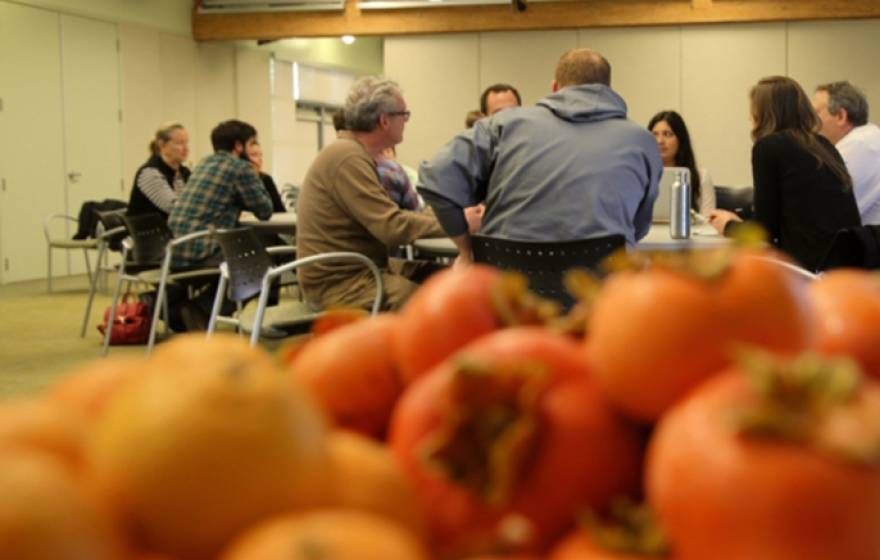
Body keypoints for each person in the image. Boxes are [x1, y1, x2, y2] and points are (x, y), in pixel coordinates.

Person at [418, 48, 661, 263]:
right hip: (599, 293)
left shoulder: (501, 125)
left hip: (508, 292)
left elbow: (435, 180)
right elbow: (637, 227)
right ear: (608, 89)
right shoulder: (643, 141)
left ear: (555, 87)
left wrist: (466, 251)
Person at [296, 77, 445, 311]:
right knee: (435, 306)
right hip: (341, 283)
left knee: (443, 277)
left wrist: (451, 217)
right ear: (385, 121)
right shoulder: (348, 158)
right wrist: (458, 222)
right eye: (403, 114)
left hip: (359, 268)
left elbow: (389, 216)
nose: (406, 121)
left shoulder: (353, 154)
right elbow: (391, 227)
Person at [709, 76, 861, 271]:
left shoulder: (768, 147)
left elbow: (764, 232)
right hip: (846, 267)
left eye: (753, 109)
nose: (749, 116)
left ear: (765, 112)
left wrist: (728, 226)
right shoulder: (823, 145)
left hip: (807, 271)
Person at [169, 119, 273, 269]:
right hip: (204, 252)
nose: (252, 151)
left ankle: (192, 293)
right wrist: (255, 171)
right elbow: (265, 211)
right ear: (238, 146)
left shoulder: (204, 162)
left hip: (175, 251)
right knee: (267, 265)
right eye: (250, 144)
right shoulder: (240, 167)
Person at [812, 81, 880, 225]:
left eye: (815, 113)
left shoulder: (861, 145)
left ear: (841, 116)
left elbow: (826, 210)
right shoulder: (867, 136)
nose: (810, 121)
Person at [648, 110, 716, 217]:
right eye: (654, 135)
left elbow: (708, 222)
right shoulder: (642, 175)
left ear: (681, 140)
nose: (660, 141)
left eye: (667, 134)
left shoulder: (701, 176)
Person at [128, 122, 190, 219]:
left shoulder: (184, 172)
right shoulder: (149, 173)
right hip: (151, 231)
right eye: (179, 143)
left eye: (186, 142)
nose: (186, 148)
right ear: (162, 145)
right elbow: (174, 208)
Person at [245, 140, 286, 212]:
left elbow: (280, 211)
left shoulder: (266, 179)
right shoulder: (238, 180)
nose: (260, 159)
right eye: (254, 155)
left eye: (260, 155)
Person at [376, 146, 421, 211]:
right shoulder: (372, 173)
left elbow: (417, 204)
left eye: (387, 151)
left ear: (394, 154)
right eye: (380, 153)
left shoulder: (409, 173)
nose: (384, 156)